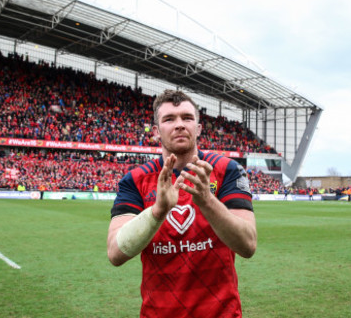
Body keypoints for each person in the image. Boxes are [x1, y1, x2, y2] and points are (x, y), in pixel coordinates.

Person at [107, 90, 257, 317]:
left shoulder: (229, 170)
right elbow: (115, 253)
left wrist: (206, 200)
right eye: (169, 119)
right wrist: (158, 211)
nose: (179, 125)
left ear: (198, 128)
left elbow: (248, 244)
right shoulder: (135, 180)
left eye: (187, 118)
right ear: (156, 132)